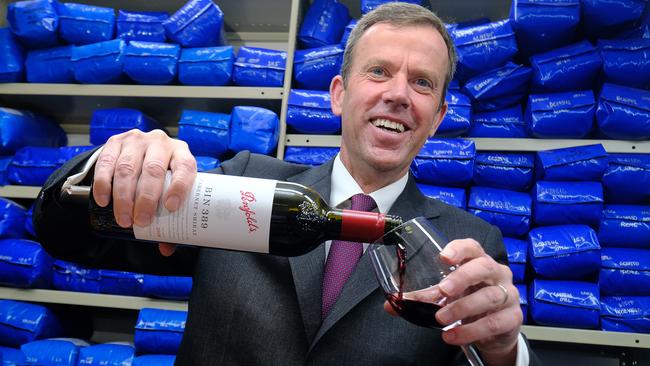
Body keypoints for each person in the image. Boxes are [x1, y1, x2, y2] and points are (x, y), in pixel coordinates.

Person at [35, 3, 539, 365]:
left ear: (438, 117)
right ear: (339, 95)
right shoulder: (244, 181)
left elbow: (484, 349)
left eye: (423, 83)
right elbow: (72, 239)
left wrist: (503, 352)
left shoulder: (469, 246)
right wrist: (107, 167)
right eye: (378, 72)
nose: (398, 95)